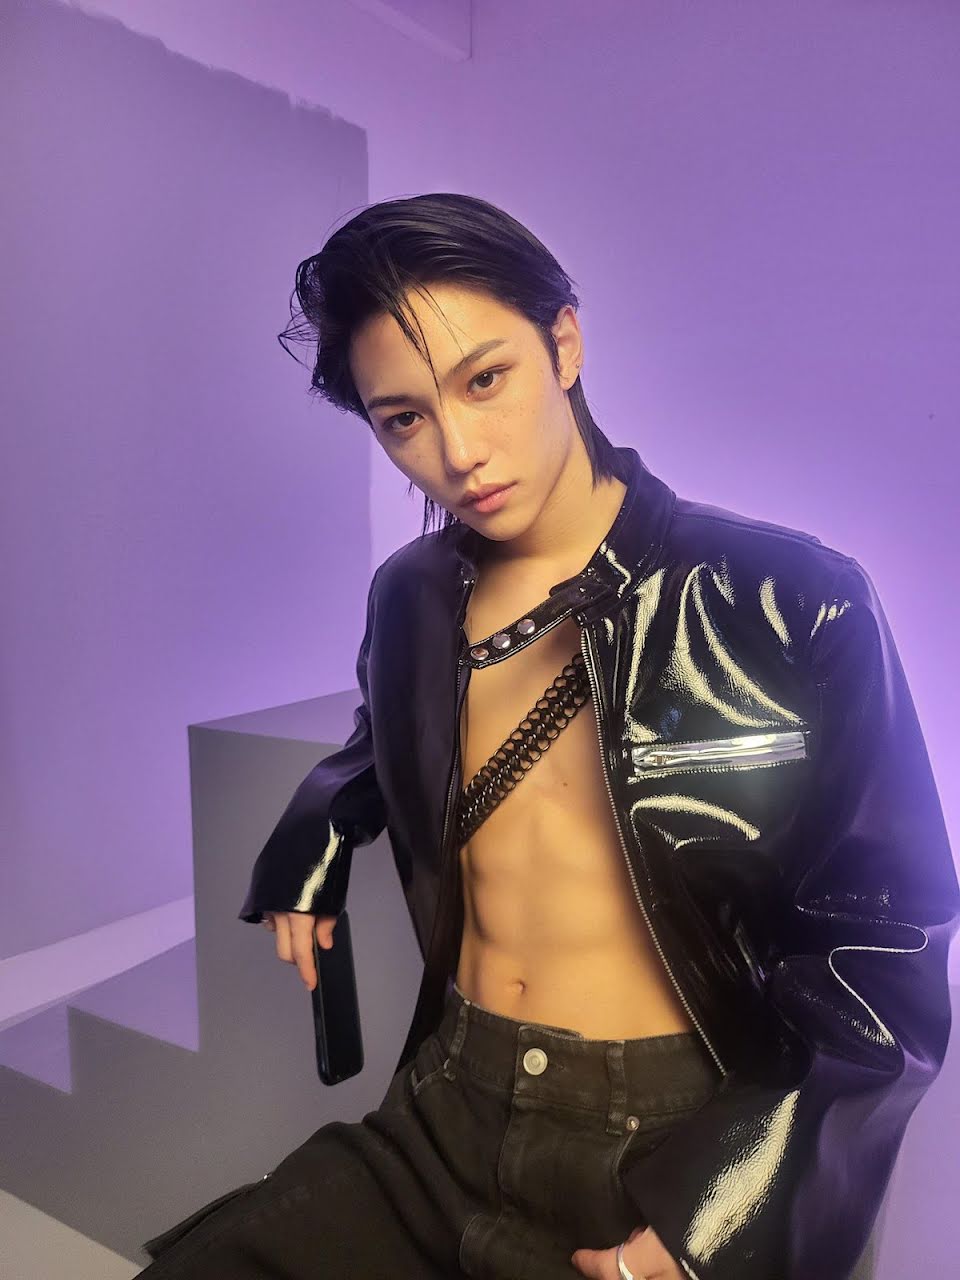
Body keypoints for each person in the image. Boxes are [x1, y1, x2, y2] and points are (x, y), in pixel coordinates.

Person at [137, 193, 960, 1280]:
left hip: (667, 1135)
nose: (458, 452)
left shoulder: (788, 597)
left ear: (563, 343)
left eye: (485, 380)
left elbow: (886, 939)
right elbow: (389, 729)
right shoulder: (411, 595)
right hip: (444, 1106)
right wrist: (320, 825)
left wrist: (722, 1207)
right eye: (403, 418)